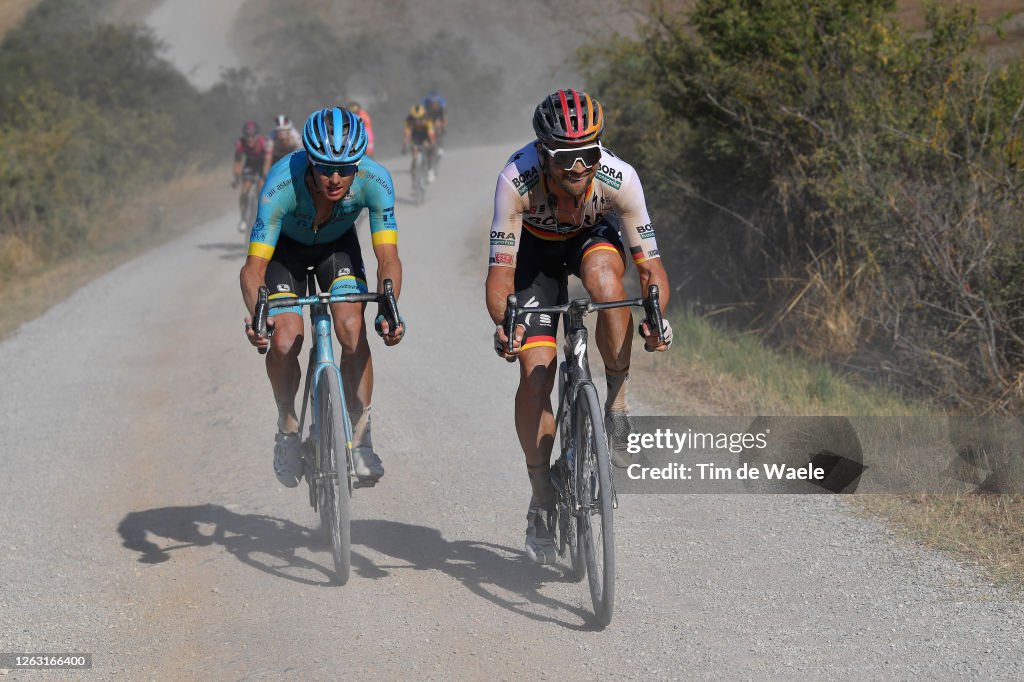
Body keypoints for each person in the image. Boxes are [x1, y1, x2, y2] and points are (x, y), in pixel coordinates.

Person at [484, 88, 672, 564]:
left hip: (591, 239)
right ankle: (542, 494)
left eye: (587, 156)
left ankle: (617, 402)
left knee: (610, 287)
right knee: (535, 373)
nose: (577, 169)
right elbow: (501, 276)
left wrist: (655, 317)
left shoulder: (619, 178)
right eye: (565, 158)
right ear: (543, 154)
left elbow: (651, 272)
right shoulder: (516, 179)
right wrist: (507, 325)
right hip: (533, 256)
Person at [240, 107, 405, 488]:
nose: (335, 178)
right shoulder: (282, 182)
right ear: (309, 161)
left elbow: (388, 258)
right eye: (325, 168)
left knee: (350, 328)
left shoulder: (376, 180)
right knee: (284, 341)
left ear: (358, 163)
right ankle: (287, 427)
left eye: (345, 168)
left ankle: (361, 436)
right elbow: (253, 268)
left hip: (337, 250)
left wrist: (390, 307)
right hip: (285, 255)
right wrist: (258, 314)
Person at [233, 120, 271, 232]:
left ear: (257, 135)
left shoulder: (264, 142)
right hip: (249, 165)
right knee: (244, 191)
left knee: (262, 188)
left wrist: (265, 175)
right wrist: (236, 178)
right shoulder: (240, 143)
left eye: (252, 136)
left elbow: (268, 160)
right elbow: (237, 162)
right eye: (247, 136)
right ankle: (243, 218)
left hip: (262, 165)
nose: (250, 139)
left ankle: (263, 217)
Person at [403, 103, 437, 183]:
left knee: (429, 150)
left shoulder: (428, 119)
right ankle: (414, 181)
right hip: (415, 136)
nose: (417, 121)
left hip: (426, 136)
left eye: (420, 118)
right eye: (415, 119)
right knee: (414, 156)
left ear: (424, 116)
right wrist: (405, 145)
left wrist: (432, 144)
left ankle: (430, 170)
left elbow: (431, 133)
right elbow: (407, 134)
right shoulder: (409, 120)